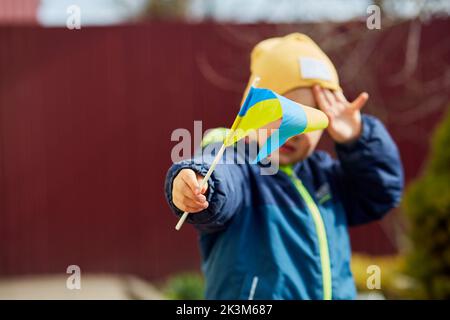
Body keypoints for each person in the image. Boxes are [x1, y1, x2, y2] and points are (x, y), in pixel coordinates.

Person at [164, 33, 404, 299]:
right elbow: (222, 175)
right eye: (283, 113)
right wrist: (200, 184)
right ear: (253, 109)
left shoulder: (325, 177)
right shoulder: (239, 162)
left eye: (309, 118)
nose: (294, 130)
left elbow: (380, 192)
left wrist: (358, 139)